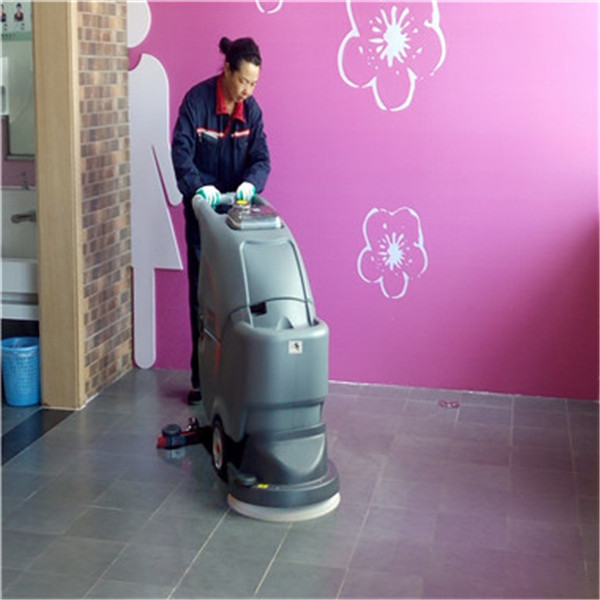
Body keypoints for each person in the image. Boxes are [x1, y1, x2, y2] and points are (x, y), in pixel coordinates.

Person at [172, 36, 271, 405]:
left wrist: (251, 184)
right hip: (204, 213)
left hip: (239, 213)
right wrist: (199, 188)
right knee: (204, 294)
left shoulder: (252, 111)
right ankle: (203, 380)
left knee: (241, 294)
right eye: (243, 80)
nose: (247, 90)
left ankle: (238, 378)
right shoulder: (196, 103)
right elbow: (181, 154)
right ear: (227, 70)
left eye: (253, 83)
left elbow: (261, 158)